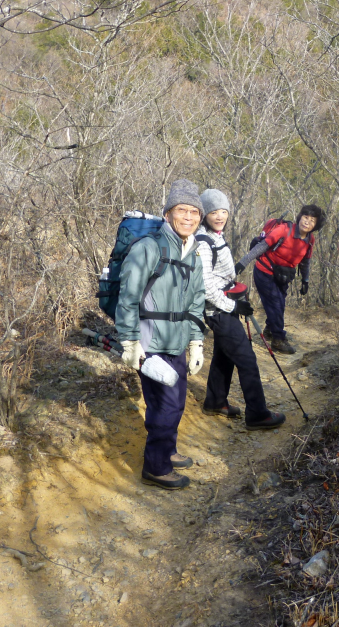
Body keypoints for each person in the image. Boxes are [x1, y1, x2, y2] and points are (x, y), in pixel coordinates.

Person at [116, 179, 207, 490]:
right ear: (168, 214)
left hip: (177, 341)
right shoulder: (148, 248)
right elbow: (128, 297)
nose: (189, 217)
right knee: (166, 405)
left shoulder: (193, 252)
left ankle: (167, 450)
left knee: (176, 401)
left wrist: (196, 341)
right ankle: (155, 467)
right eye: (182, 210)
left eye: (195, 212)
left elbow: (196, 301)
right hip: (150, 341)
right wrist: (129, 340)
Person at [195, 189, 286, 431]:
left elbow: (220, 275)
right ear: (205, 214)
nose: (220, 216)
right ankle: (257, 414)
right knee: (246, 359)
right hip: (218, 309)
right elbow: (205, 287)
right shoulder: (203, 243)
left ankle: (215, 401)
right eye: (214, 211)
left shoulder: (215, 236)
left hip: (224, 305)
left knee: (224, 355)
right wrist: (234, 305)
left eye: (224, 211)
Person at [235, 204, 324, 355]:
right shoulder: (284, 230)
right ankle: (278, 339)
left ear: (316, 226)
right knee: (275, 303)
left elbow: (305, 261)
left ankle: (270, 329)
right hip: (264, 270)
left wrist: (305, 280)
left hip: (283, 275)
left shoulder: (310, 239)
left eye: (312, 220)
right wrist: (242, 263)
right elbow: (262, 246)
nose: (307, 222)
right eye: (305, 217)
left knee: (280, 304)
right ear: (300, 217)